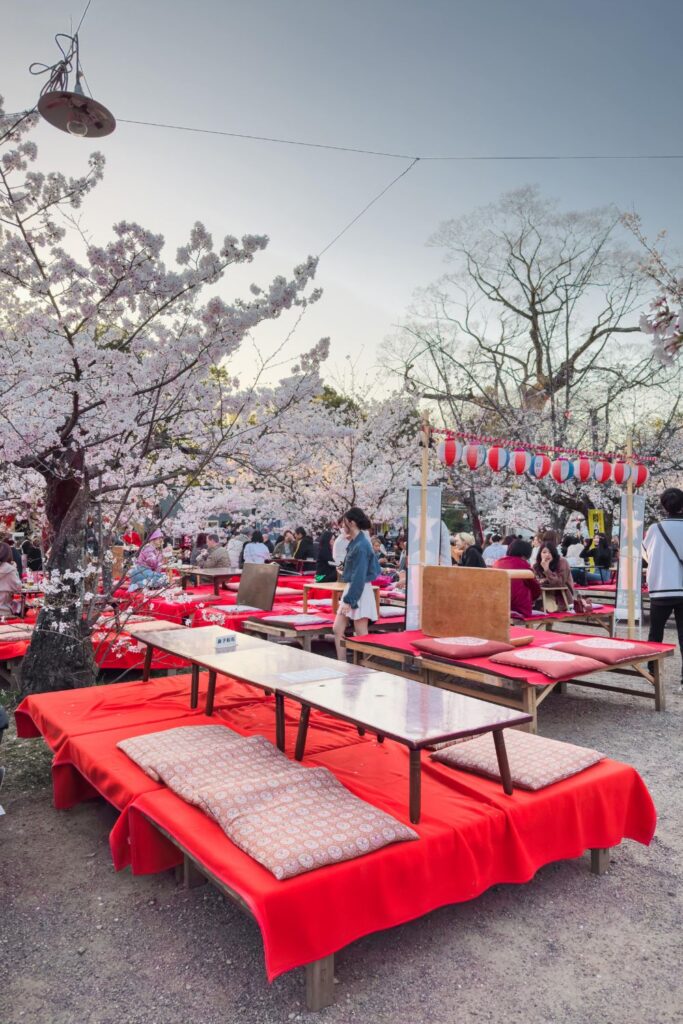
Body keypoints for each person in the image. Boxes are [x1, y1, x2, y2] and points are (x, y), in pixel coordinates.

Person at [643, 487, 683, 690]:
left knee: (655, 632)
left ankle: (652, 672)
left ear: (664, 506)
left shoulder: (654, 529)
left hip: (661, 587)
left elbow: (646, 555)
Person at [333, 507, 381, 660]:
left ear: (351, 523)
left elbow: (359, 576)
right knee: (341, 629)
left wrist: (349, 600)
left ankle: (364, 667)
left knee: (360, 632)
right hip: (356, 588)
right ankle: (347, 664)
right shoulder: (359, 542)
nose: (342, 527)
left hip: (358, 589)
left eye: (344, 523)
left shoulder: (360, 545)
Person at [493, 540, 542, 618]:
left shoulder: (497, 562)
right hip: (519, 607)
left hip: (499, 604)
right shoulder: (523, 564)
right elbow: (535, 587)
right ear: (524, 555)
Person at [534, 541, 575, 609]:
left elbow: (559, 583)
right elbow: (536, 582)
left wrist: (546, 569)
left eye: (550, 552)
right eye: (544, 552)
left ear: (554, 553)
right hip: (543, 597)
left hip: (562, 597)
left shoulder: (562, 562)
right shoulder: (536, 566)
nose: (547, 555)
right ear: (540, 554)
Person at [0, 542, 22, 617]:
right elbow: (18, 588)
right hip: (2, 609)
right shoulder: (9, 569)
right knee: (21, 605)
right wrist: (14, 569)